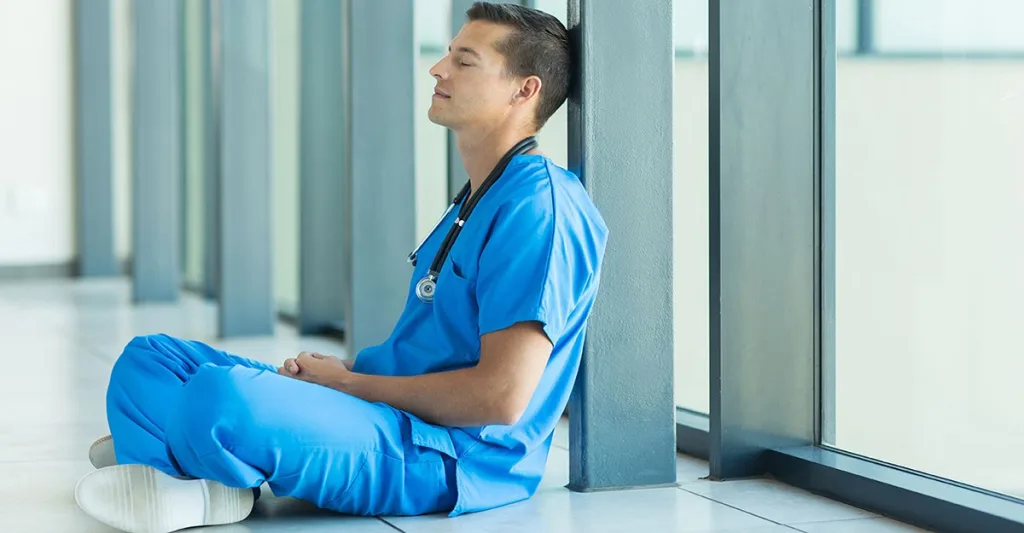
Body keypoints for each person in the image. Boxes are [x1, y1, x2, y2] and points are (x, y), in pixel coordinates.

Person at [74, 3, 608, 532]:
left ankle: (174, 468)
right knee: (148, 361)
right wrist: (348, 377)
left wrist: (349, 386)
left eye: (464, 61)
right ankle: (194, 471)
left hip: (448, 455)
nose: (437, 69)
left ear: (525, 90)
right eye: (446, 55)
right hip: (386, 413)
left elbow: (501, 398)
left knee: (218, 397)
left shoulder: (540, 208)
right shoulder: (476, 198)